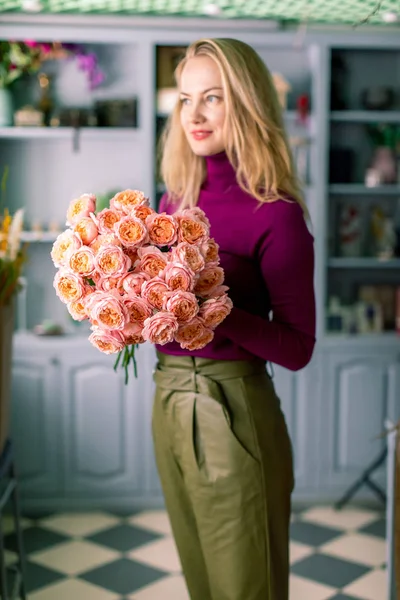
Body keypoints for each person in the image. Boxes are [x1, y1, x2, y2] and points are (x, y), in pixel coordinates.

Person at [152, 37, 316, 600]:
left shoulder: (277, 215)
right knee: (204, 585)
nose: (193, 114)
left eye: (213, 98)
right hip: (168, 399)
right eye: (184, 98)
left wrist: (216, 313)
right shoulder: (174, 200)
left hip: (233, 413)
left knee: (247, 590)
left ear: (244, 103)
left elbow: (298, 348)